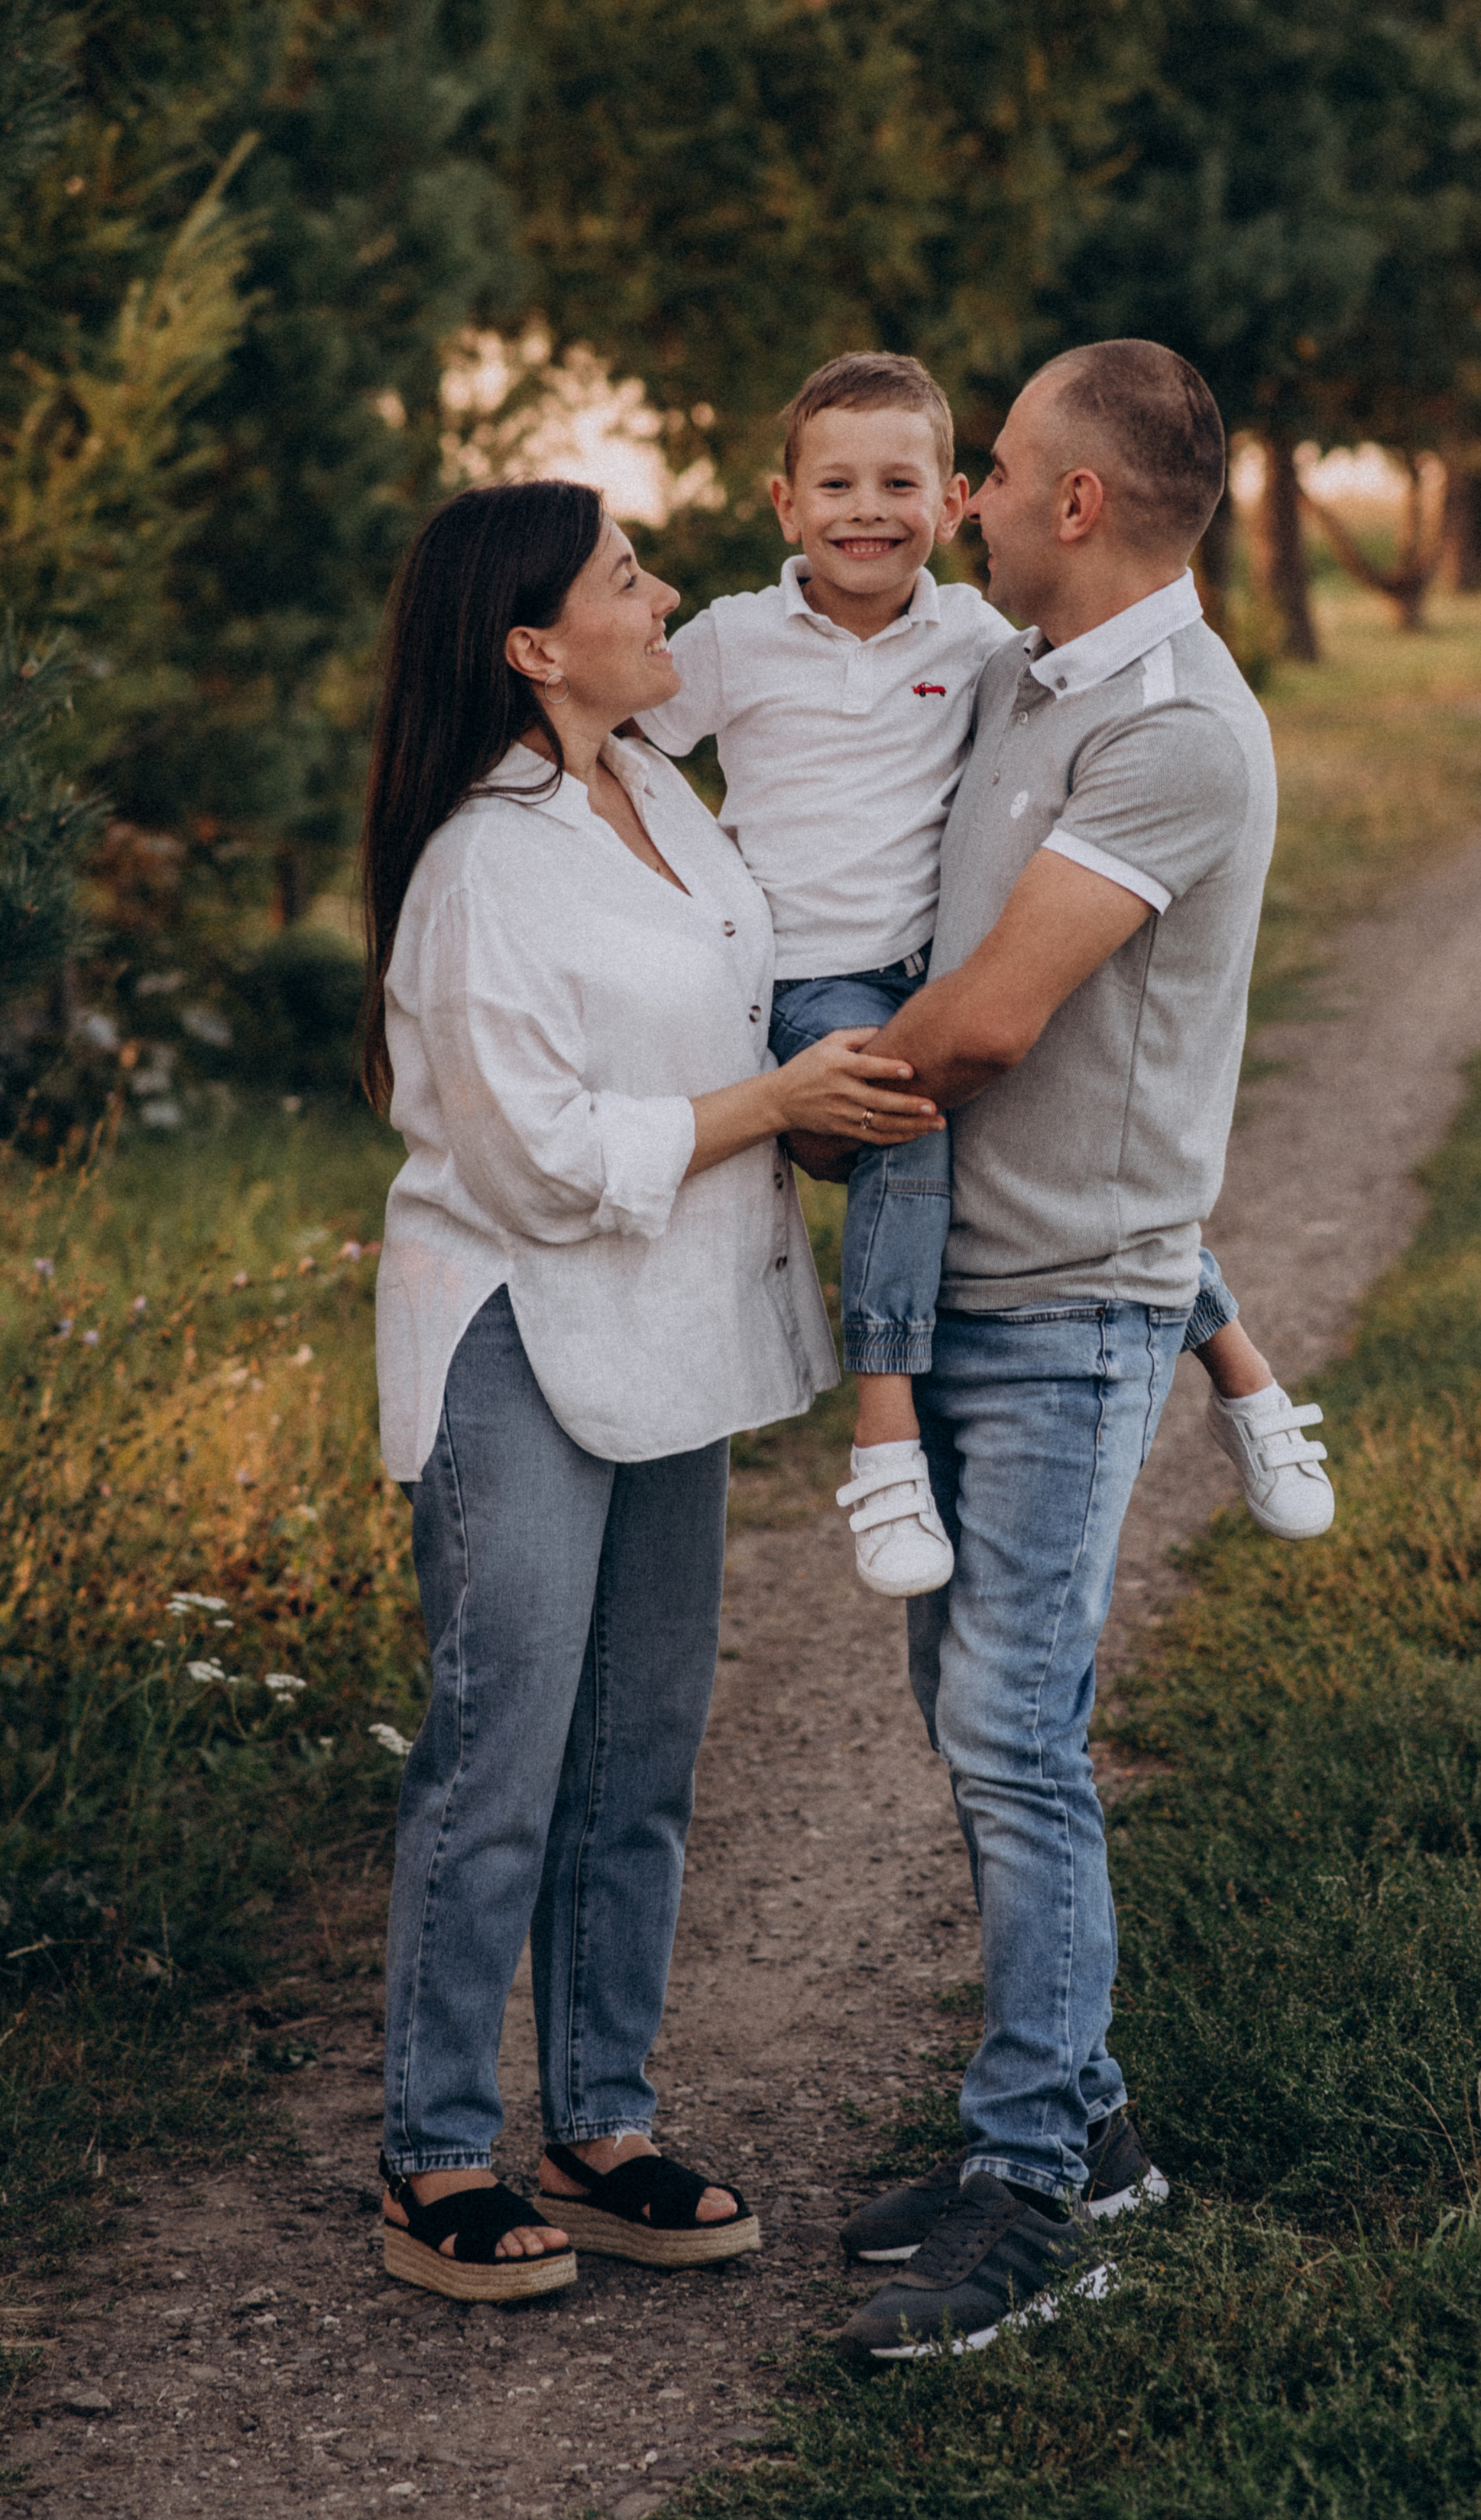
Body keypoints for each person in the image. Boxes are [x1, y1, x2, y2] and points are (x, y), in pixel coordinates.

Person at [361, 480, 941, 2301]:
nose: (666, 588)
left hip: (670, 1330)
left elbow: (753, 985)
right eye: (629, 576)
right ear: (535, 644)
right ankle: (433, 2149)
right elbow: (528, 1156)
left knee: (639, 1756)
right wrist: (774, 1109)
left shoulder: (666, 804)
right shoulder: (480, 863)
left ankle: (598, 2117)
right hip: (519, 1332)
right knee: (502, 1752)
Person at [825, 342, 1298, 2361]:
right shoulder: (1032, 674)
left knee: (1015, 1730)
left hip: (1077, 1314)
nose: (970, 503)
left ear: (1081, 503)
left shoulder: (1181, 731)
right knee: (974, 1715)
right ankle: (1083, 2122)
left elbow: (993, 1020)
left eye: (1000, 470)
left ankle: (1032, 2185)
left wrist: (762, 1112)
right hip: (963, 1303)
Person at [640, 353, 1334, 1603]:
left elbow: (1084, 680)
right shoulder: (742, 640)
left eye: (910, 482)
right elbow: (625, 736)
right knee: (916, 1123)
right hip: (815, 974)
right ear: (784, 504)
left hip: (927, 960)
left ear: (957, 499)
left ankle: (1216, 1378)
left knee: (1020, 1148)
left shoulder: (978, 642)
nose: (872, 510)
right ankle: (915, 1426)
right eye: (835, 484)